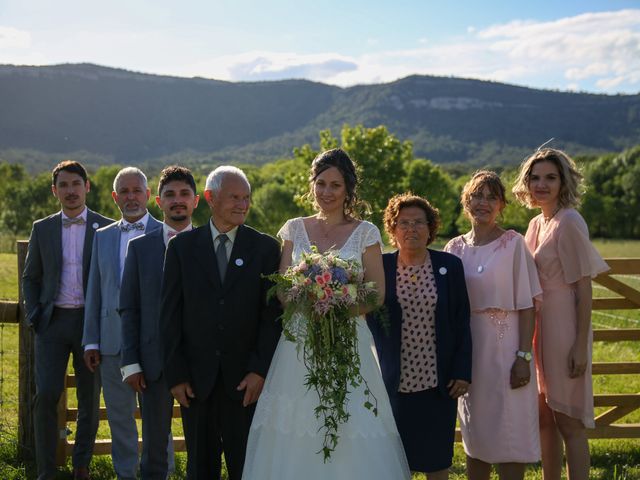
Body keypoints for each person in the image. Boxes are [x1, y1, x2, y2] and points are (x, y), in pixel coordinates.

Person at [242, 148, 411, 480]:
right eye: (321, 183)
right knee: (298, 421)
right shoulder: (293, 228)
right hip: (299, 343)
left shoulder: (366, 233)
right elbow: (280, 287)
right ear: (312, 185)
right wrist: (304, 296)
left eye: (335, 185)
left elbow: (376, 293)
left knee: (348, 418)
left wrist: (336, 304)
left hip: (347, 339)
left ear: (348, 188)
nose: (327, 192)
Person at [160, 165, 281, 480]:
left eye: (246, 197)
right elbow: (169, 316)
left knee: (247, 468)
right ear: (211, 198)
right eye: (234, 197)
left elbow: (272, 317)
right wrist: (176, 376)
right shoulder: (182, 248)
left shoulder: (266, 248)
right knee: (201, 468)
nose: (242, 204)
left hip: (245, 383)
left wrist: (259, 370)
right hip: (196, 384)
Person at [513, 149, 609, 480]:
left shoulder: (569, 221)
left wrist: (580, 345)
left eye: (550, 177)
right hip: (539, 328)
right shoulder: (536, 222)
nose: (542, 184)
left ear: (562, 181)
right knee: (543, 416)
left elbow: (584, 289)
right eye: (535, 177)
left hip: (565, 328)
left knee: (568, 421)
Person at [444, 171, 542, 480]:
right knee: (476, 432)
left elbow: (528, 305)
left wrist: (523, 358)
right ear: (466, 201)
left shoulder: (513, 245)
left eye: (491, 197)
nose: (483, 202)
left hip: (507, 347)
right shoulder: (454, 249)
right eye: (477, 195)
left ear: (501, 205)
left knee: (509, 431)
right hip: (469, 350)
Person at [367, 193, 471, 480]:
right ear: (393, 229)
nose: (411, 229)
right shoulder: (381, 267)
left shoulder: (449, 266)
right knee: (396, 462)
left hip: (439, 384)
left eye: (418, 222)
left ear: (430, 228)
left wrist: (463, 371)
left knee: (437, 462)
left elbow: (462, 321)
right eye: (403, 223)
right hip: (392, 384)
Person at [22, 160, 113, 480]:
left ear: (87, 187)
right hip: (52, 323)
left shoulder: (106, 227)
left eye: (76, 184)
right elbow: (30, 277)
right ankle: (46, 470)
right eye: (63, 185)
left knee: (90, 396)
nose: (70, 191)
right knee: (46, 394)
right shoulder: (41, 228)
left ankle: (81, 466)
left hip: (92, 324)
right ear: (54, 191)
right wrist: (34, 314)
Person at [82, 167, 162, 480]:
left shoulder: (164, 232)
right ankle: (126, 474)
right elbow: (94, 289)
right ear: (115, 197)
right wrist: (91, 340)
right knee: (119, 418)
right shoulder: (101, 237)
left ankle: (161, 472)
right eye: (124, 192)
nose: (131, 197)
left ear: (148, 195)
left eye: (136, 190)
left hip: (153, 342)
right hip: (112, 342)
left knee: (157, 419)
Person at [119, 166, 199, 478]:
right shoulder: (139, 248)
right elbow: (129, 308)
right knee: (153, 450)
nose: (177, 200)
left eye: (184, 194)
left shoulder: (209, 244)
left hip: (199, 363)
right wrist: (131, 362)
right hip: (152, 366)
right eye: (170, 195)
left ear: (195, 201)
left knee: (201, 447)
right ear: (159, 202)